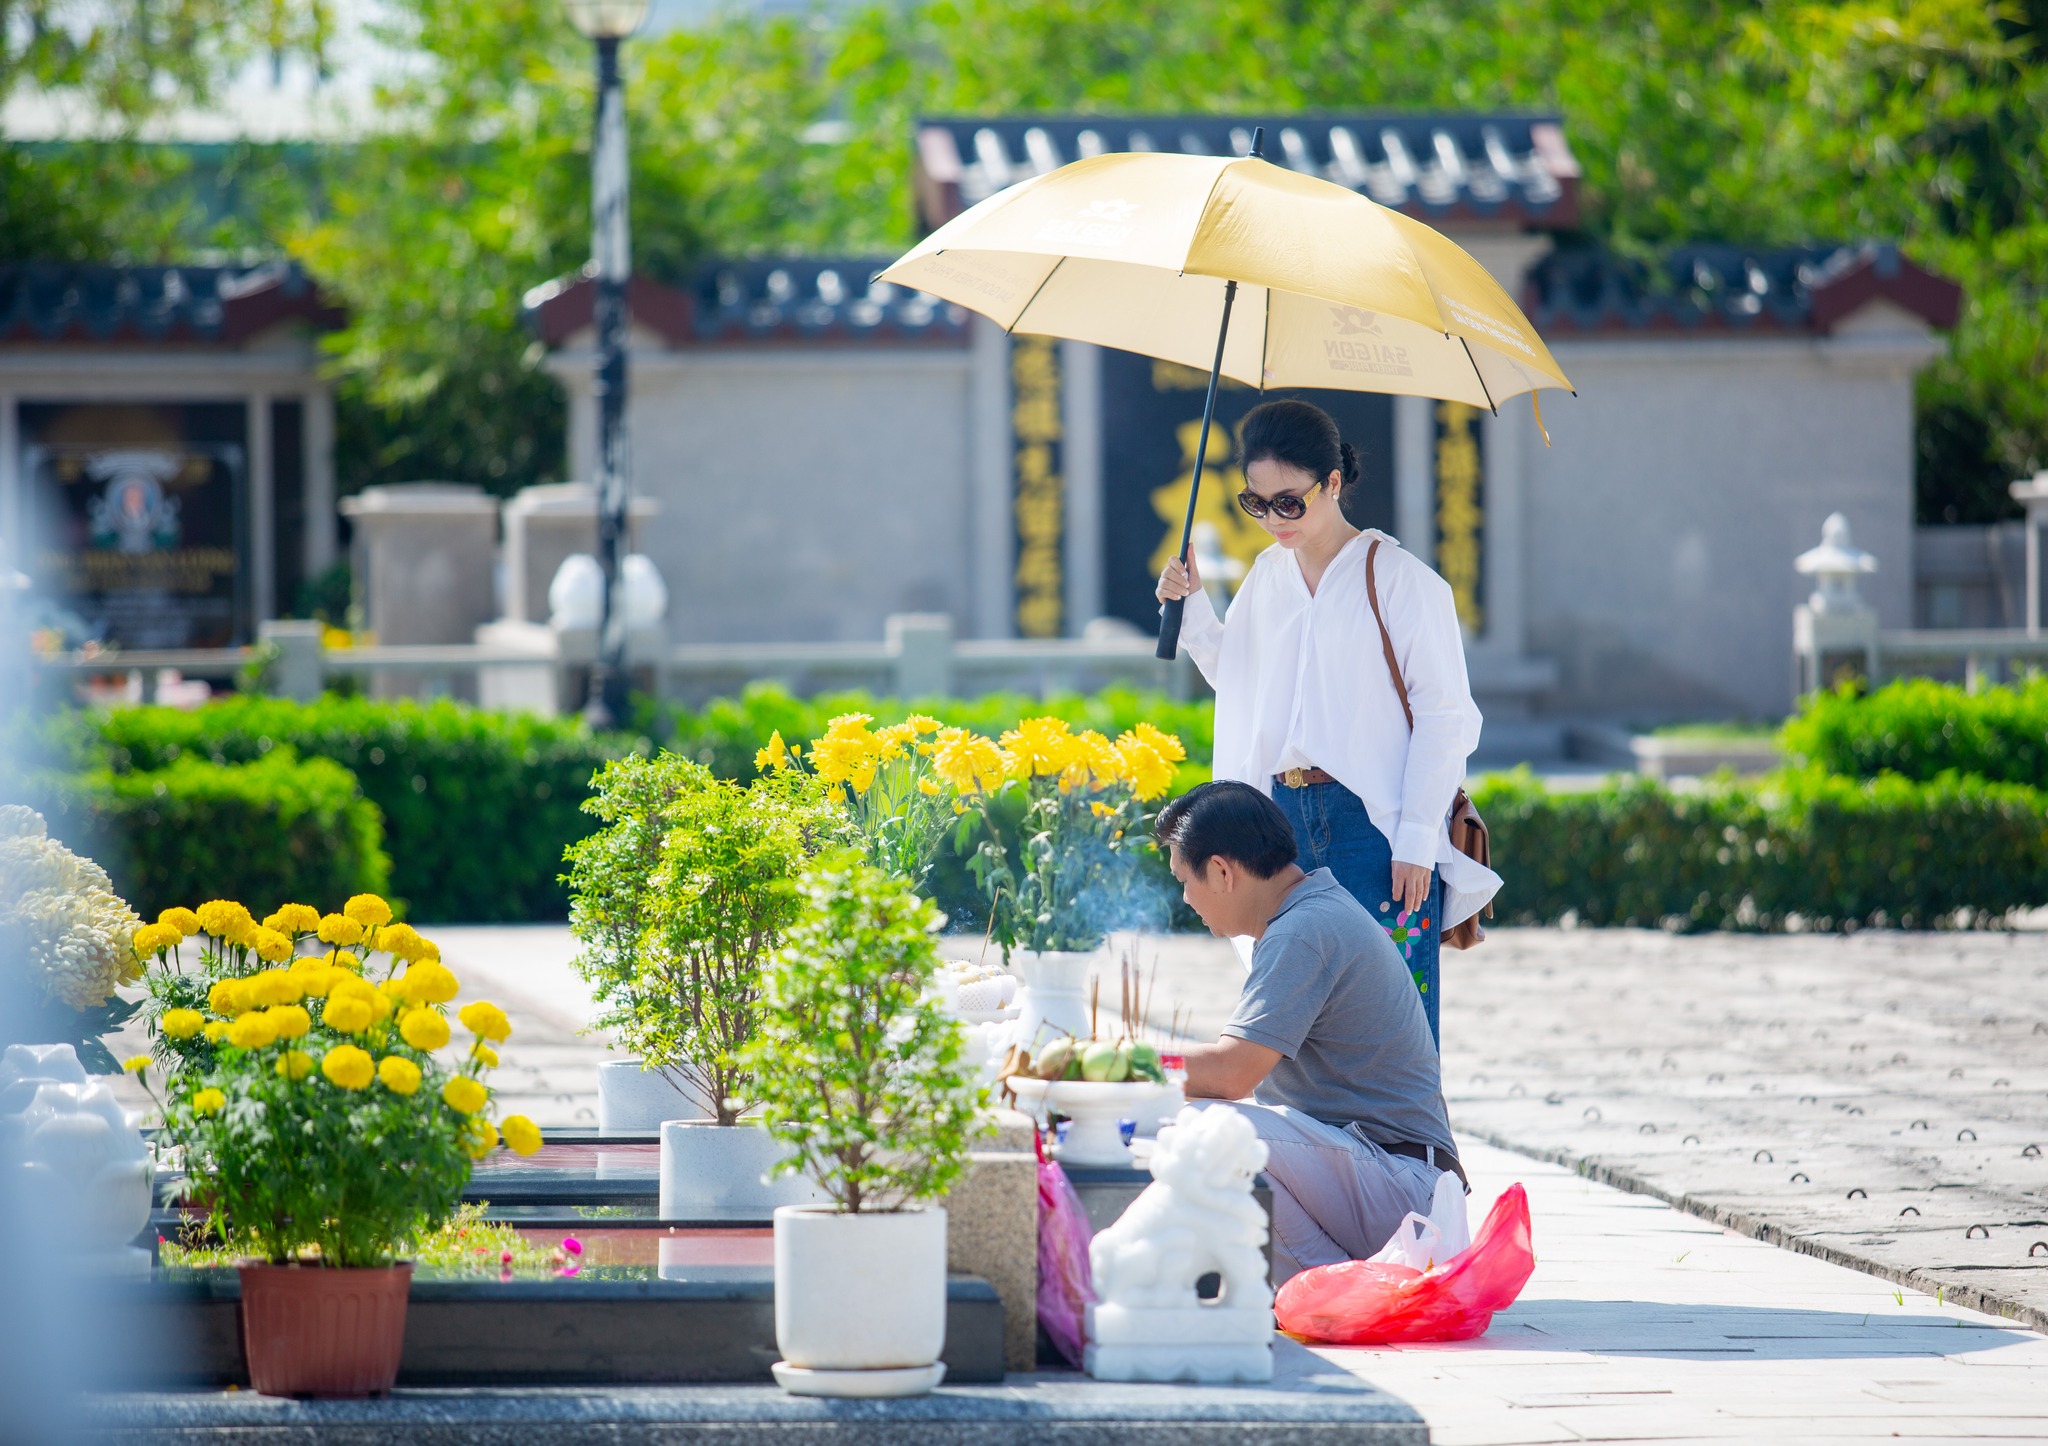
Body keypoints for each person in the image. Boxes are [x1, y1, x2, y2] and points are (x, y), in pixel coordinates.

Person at [1157, 398, 1498, 1046]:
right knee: (1297, 1024)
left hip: (1371, 827)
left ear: (1333, 483)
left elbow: (1443, 715)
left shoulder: (1400, 580)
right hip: (1279, 824)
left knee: (1390, 1017)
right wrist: (1193, 602)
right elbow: (1242, 680)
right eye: (1255, 505)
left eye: (1290, 501)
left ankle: (1408, 1150)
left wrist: (1417, 838)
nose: (1273, 519)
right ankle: (1315, 1150)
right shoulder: (1267, 577)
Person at [1156, 780, 1462, 1283]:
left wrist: (1128, 1062)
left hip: (1405, 1191)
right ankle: (1336, 1285)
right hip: (1394, 1188)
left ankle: (1342, 1284)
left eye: (1184, 880)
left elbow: (1233, 1074)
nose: (1185, 898)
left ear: (1221, 871)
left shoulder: (1304, 928)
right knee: (1199, 1131)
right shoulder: (1308, 914)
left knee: (1204, 1129)